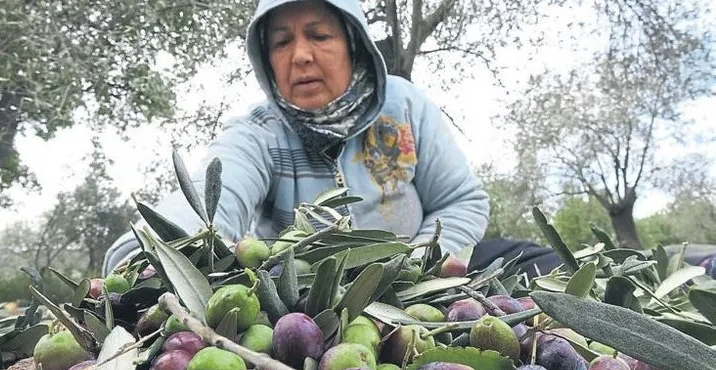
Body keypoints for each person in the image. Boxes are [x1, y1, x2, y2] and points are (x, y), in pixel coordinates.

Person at [103, 0, 562, 278]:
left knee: (540, 263)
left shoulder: (403, 107)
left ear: (353, 43)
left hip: (425, 270)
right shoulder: (258, 132)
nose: (300, 55)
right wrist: (153, 255)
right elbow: (210, 201)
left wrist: (418, 264)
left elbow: (461, 202)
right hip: (311, 295)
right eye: (281, 43)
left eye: (319, 35)